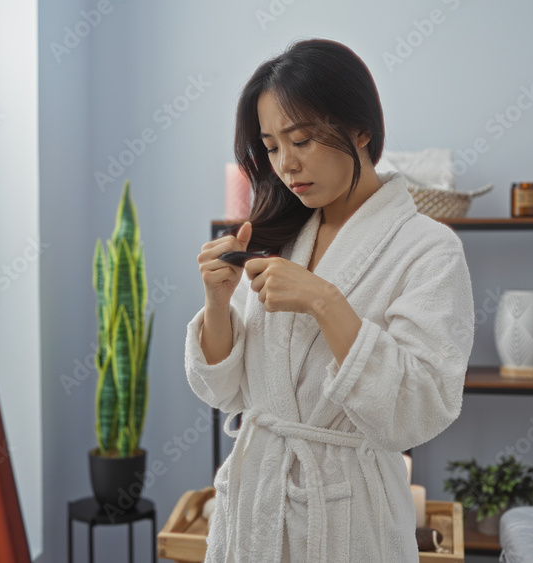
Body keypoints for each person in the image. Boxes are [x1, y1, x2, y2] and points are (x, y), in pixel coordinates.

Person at [184, 39, 475, 562]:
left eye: (303, 140)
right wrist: (217, 304)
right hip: (254, 507)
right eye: (272, 147)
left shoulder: (429, 249)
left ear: (361, 129)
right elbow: (225, 392)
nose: (287, 166)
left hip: (349, 518)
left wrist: (326, 301)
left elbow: (420, 408)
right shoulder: (276, 234)